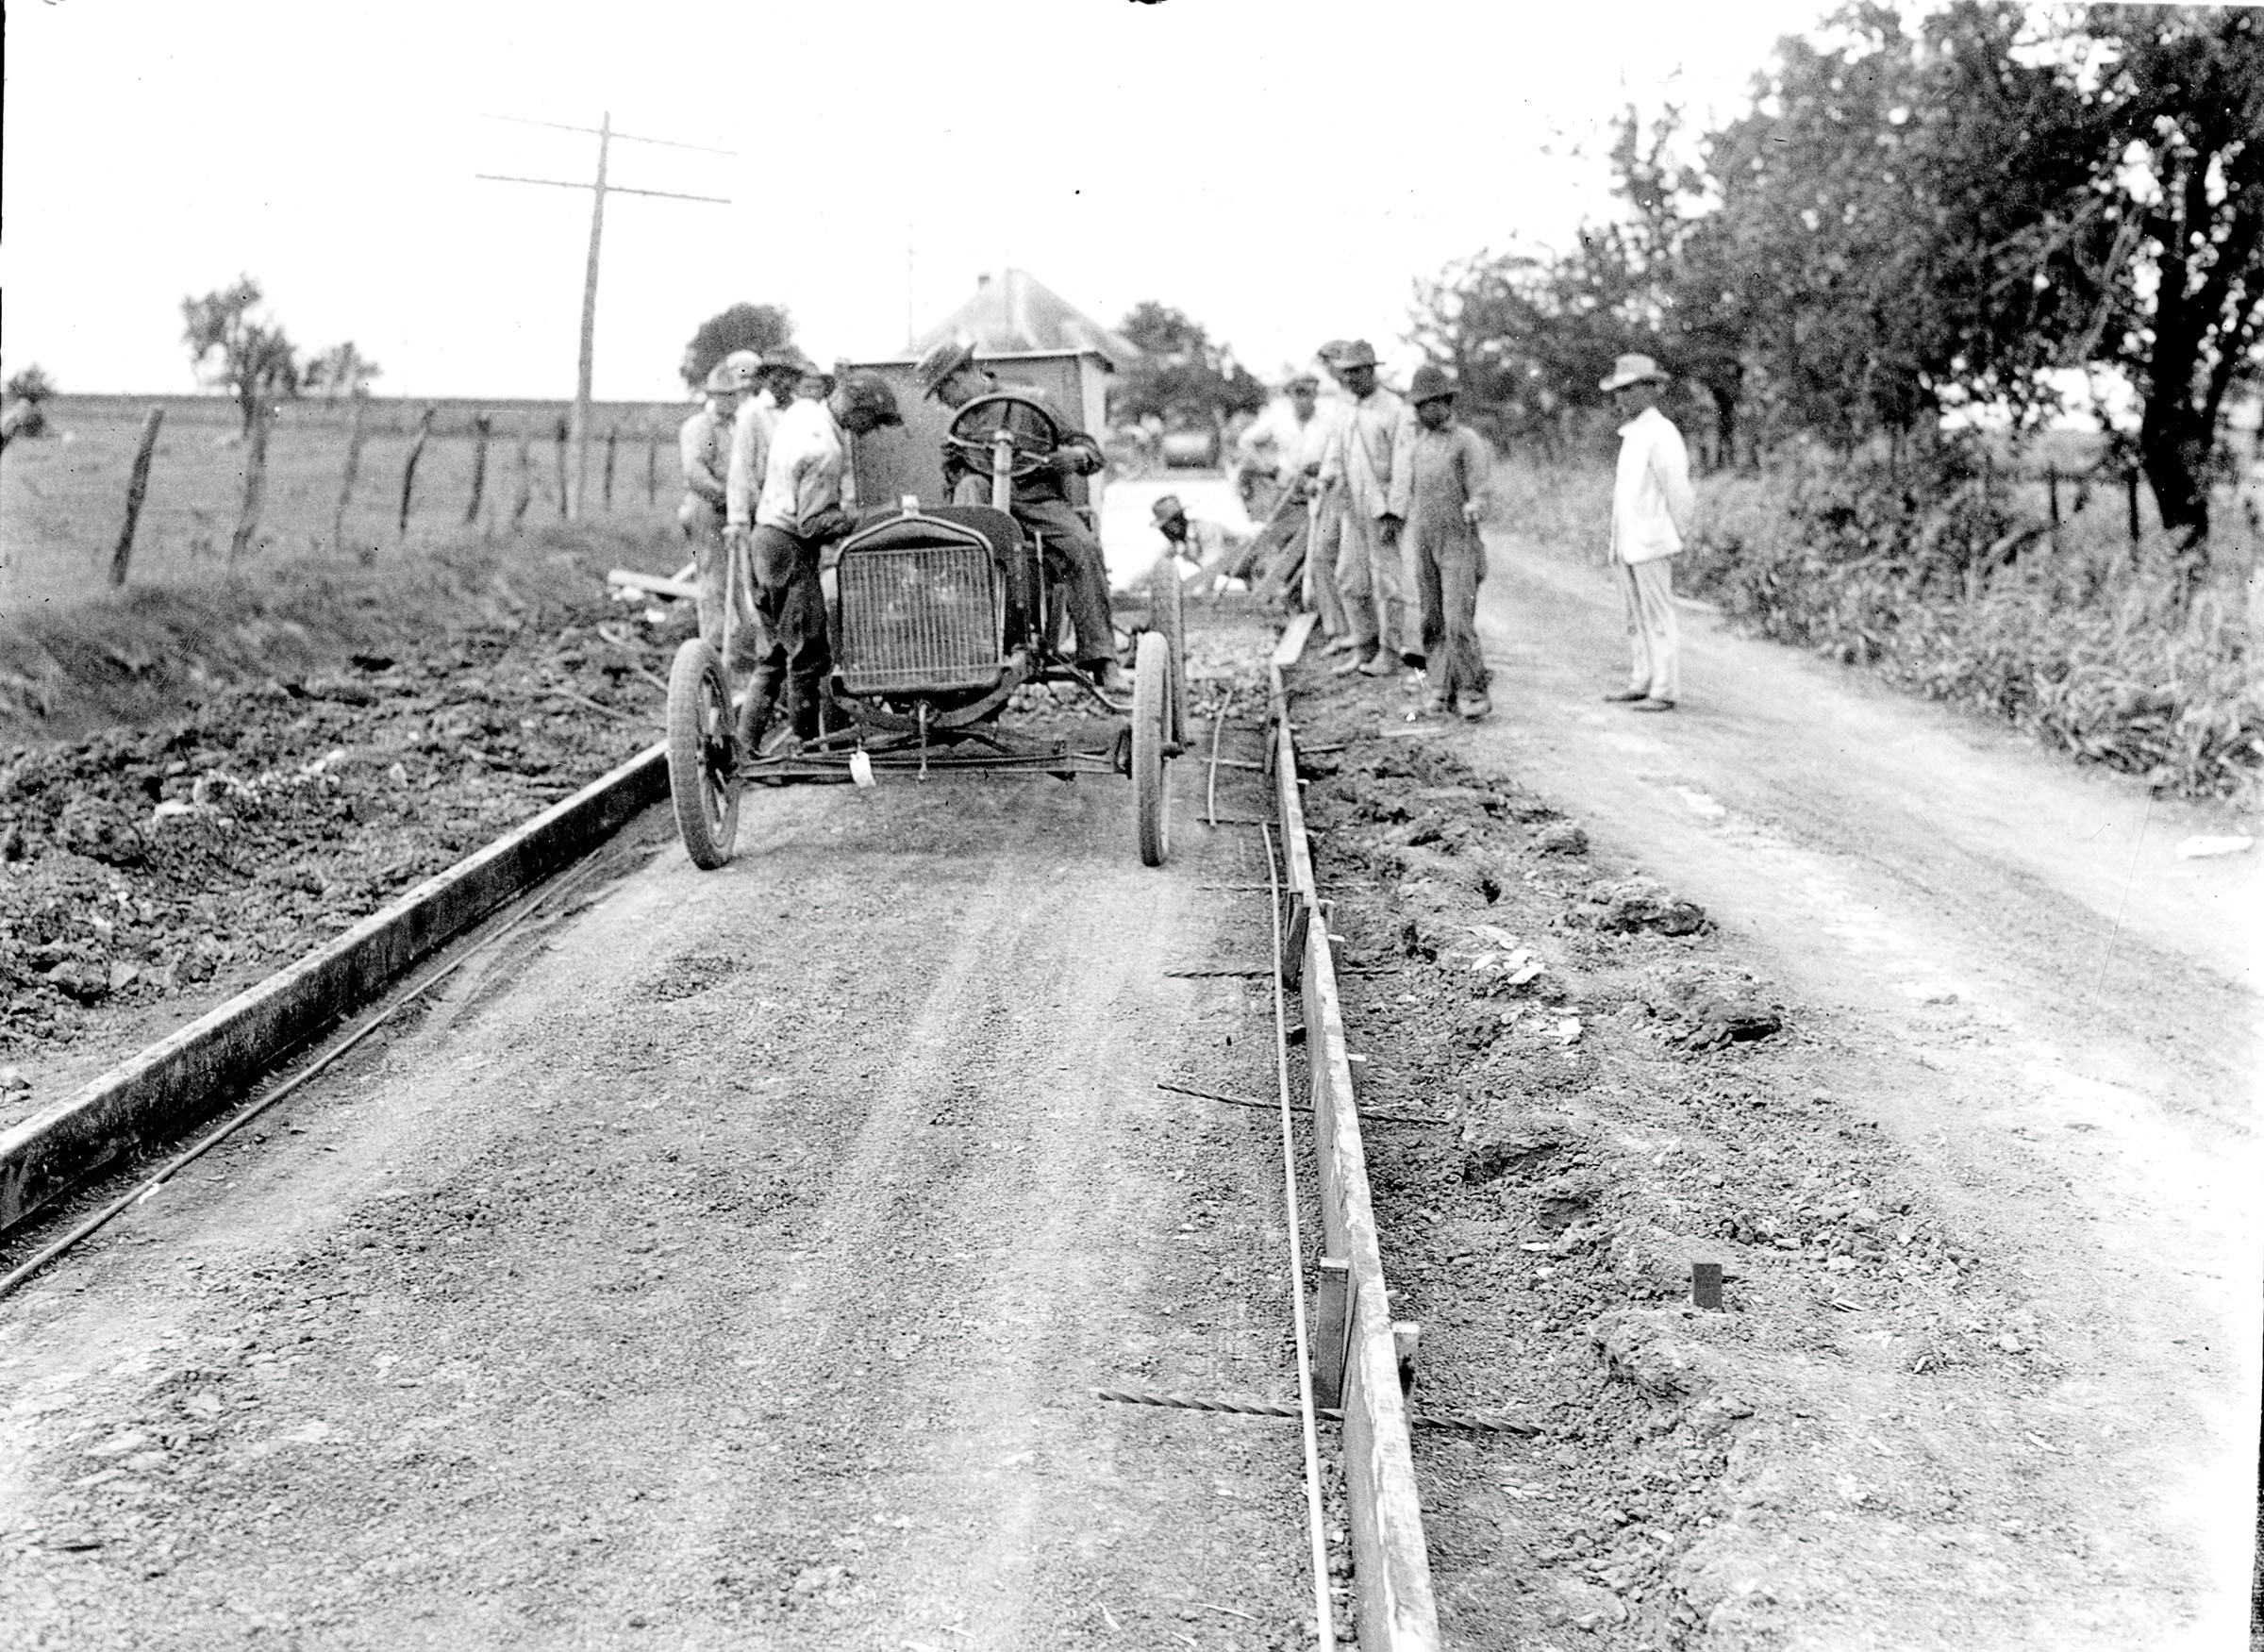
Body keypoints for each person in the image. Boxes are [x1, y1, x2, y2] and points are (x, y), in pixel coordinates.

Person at [915, 339, 1122, 690]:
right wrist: (956, 470)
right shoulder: (960, 425)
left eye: (942, 390)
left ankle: (1102, 659)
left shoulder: (1033, 400)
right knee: (964, 512)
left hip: (1037, 501)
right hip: (987, 510)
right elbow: (951, 480)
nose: (942, 401)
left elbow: (1090, 452)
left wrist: (1072, 458)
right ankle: (972, 647)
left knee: (1082, 546)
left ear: (962, 376)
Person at [738, 370, 905, 749]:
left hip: (763, 537)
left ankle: (744, 746)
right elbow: (812, 524)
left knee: (777, 652)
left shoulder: (803, 410)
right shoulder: (826, 451)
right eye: (872, 422)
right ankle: (806, 749)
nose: (870, 431)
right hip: (787, 546)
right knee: (809, 654)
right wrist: (867, 517)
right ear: (855, 409)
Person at [1599, 353, 1695, 713]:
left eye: (1628, 391)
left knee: (1657, 616)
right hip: (1628, 541)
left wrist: (1677, 533)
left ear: (1649, 391)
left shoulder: (1662, 433)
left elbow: (1678, 491)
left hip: (1653, 540)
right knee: (1633, 617)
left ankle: (1664, 687)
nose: (1621, 399)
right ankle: (1642, 679)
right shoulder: (1633, 434)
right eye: (1618, 392)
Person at [1399, 365, 1495, 720]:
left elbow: (1481, 488)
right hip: (1425, 539)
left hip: (1459, 541)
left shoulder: (1467, 442)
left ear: (1443, 402)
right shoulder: (1420, 445)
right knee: (1432, 617)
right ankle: (1439, 686)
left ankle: (1471, 688)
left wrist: (1475, 504)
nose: (1419, 412)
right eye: (1416, 406)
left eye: (1424, 405)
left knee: (1458, 619)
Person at [1317, 340, 1413, 679]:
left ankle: (1390, 651)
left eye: (1357, 373)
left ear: (1371, 371)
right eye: (1345, 373)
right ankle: (1364, 647)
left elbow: (1403, 466)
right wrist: (1326, 478)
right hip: (1349, 504)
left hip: (1380, 507)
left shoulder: (1395, 410)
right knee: (1349, 576)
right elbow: (1335, 449)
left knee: (1387, 582)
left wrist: (1394, 512)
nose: (1350, 379)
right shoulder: (1345, 408)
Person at [679, 353, 760, 655]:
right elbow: (696, 473)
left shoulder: (738, 424)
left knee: (741, 577)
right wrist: (727, 499)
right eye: (723, 396)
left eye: (733, 395)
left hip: (733, 509)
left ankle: (741, 644)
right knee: (713, 578)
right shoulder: (702, 428)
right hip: (707, 509)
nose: (730, 401)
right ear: (712, 396)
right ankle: (713, 646)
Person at [1304, 342, 1358, 650]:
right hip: (1333, 490)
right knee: (1323, 557)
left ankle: (1354, 632)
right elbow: (1333, 450)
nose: (1333, 372)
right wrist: (1322, 476)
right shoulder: (1336, 403)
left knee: (1349, 566)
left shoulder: (1356, 402)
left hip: (1353, 492)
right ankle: (1338, 629)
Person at [1151, 494, 1256, 598]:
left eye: (1164, 528)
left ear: (1174, 525)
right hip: (1246, 574)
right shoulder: (1183, 540)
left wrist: (1197, 596)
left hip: (1258, 563)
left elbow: (1211, 566)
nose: (1164, 532)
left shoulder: (1206, 530)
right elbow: (1160, 562)